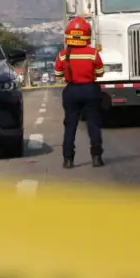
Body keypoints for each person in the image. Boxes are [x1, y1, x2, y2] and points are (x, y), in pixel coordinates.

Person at [53, 16, 105, 168]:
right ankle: (96, 157)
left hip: (71, 91)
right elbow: (100, 72)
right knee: (93, 124)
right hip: (90, 89)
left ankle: (68, 159)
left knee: (70, 126)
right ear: (86, 34)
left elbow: (58, 75)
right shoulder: (92, 53)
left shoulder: (63, 54)